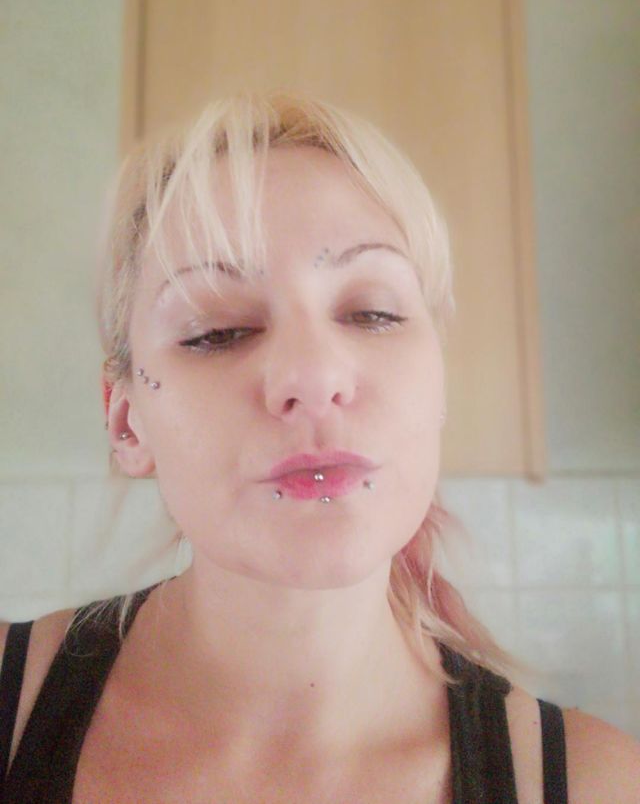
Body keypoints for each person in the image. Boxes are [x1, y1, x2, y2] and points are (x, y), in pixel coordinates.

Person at [0, 90, 638, 803]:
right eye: (217, 331)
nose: (313, 375)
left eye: (373, 312)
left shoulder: (602, 784)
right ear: (126, 423)